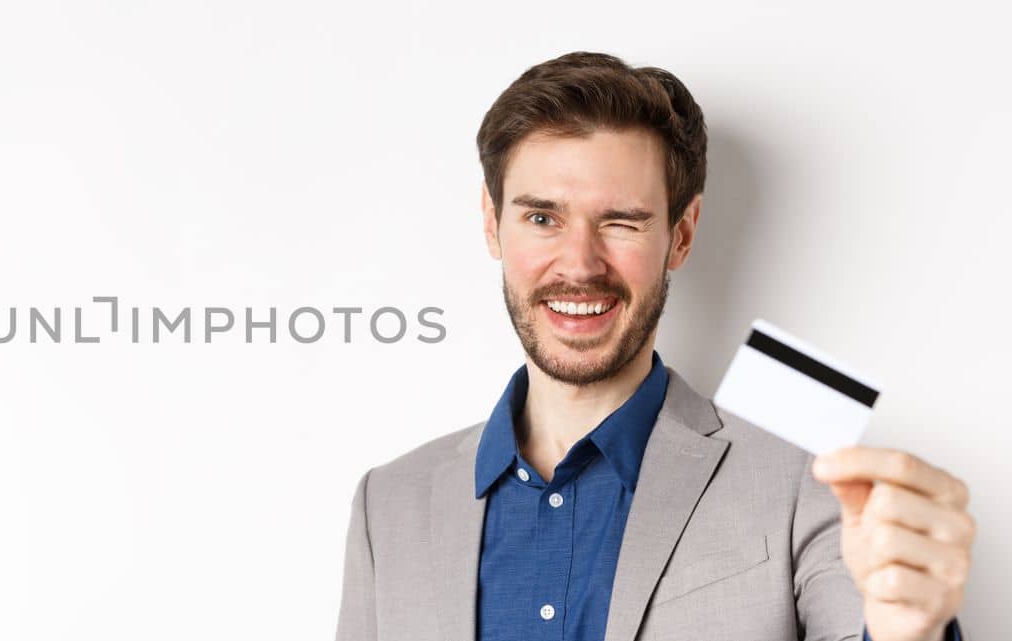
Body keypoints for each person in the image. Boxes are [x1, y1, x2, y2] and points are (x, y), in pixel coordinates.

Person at [333, 51, 974, 641]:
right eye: (541, 218)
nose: (579, 264)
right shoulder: (385, 506)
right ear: (491, 222)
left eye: (621, 222)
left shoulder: (805, 475)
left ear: (682, 234)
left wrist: (907, 628)